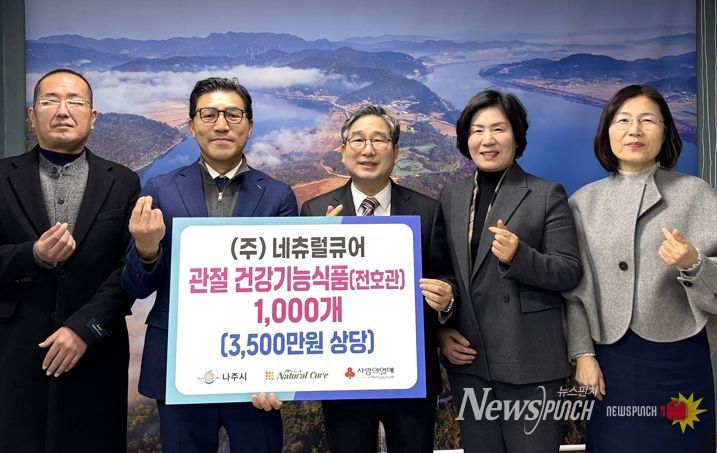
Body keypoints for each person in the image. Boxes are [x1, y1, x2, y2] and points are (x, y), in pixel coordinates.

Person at [121, 77, 296, 453]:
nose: (221, 125)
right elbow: (136, 287)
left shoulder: (278, 196)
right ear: (191, 125)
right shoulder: (159, 189)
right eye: (209, 114)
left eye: (233, 114)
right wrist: (146, 249)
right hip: (179, 363)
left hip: (255, 366)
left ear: (249, 125)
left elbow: (285, 288)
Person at [565, 84, 717, 452]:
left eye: (648, 120)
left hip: (681, 357)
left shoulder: (696, 194)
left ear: (665, 131)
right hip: (610, 361)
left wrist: (694, 264)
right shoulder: (583, 202)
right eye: (623, 120)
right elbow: (573, 293)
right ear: (607, 132)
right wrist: (582, 354)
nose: (635, 130)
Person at [0, 69, 140, 452]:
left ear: (92, 117)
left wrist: (84, 328)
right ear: (32, 115)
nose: (63, 110)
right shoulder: (1, 177)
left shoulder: (123, 182)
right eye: (50, 101)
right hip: (13, 356)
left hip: (96, 352)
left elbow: (128, 268)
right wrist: (32, 255)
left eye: (75, 101)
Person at [300, 105, 454, 453]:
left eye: (379, 140)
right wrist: (318, 250)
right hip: (343, 375)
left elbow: (445, 274)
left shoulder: (427, 210)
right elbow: (300, 290)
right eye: (358, 140)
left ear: (395, 151)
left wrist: (447, 299)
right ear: (343, 151)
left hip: (410, 374)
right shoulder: (315, 212)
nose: (367, 150)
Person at [436, 89, 582, 453]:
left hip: (529, 361)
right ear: (465, 139)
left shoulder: (545, 193)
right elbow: (445, 273)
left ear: (517, 136)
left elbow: (569, 271)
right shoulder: (451, 196)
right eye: (477, 130)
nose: (487, 140)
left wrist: (520, 256)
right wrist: (443, 328)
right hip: (470, 362)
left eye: (498, 129)